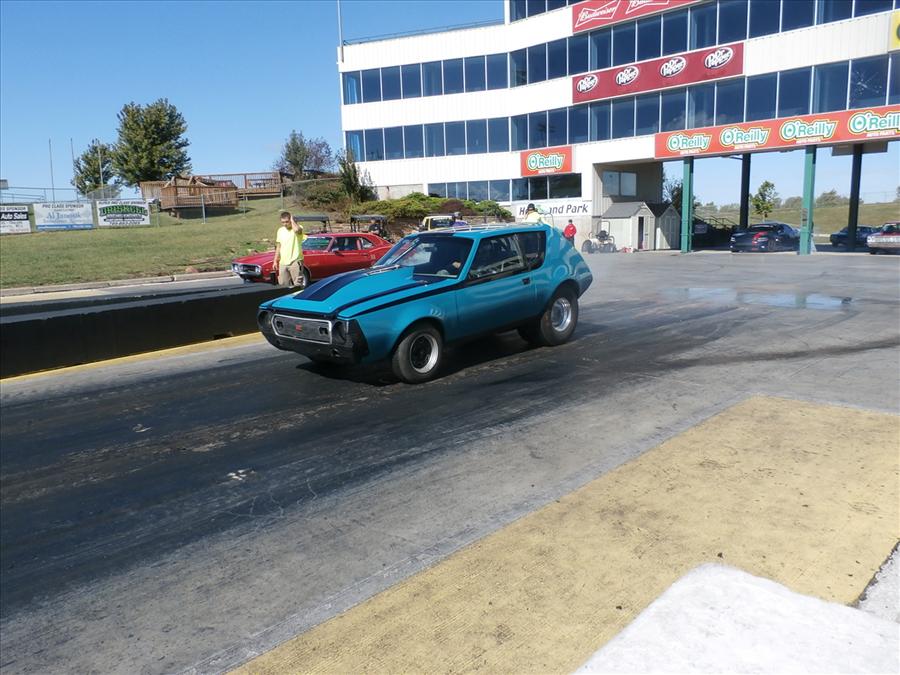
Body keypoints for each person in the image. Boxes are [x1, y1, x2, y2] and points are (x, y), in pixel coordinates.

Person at [273, 211, 306, 287]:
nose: (285, 224)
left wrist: (292, 220)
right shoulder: (280, 230)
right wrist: (275, 261)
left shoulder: (298, 227)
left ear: (290, 220)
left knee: (298, 285)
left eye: (287, 222)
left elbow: (297, 230)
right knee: (283, 285)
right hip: (283, 262)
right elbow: (278, 246)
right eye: (283, 222)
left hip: (295, 261)